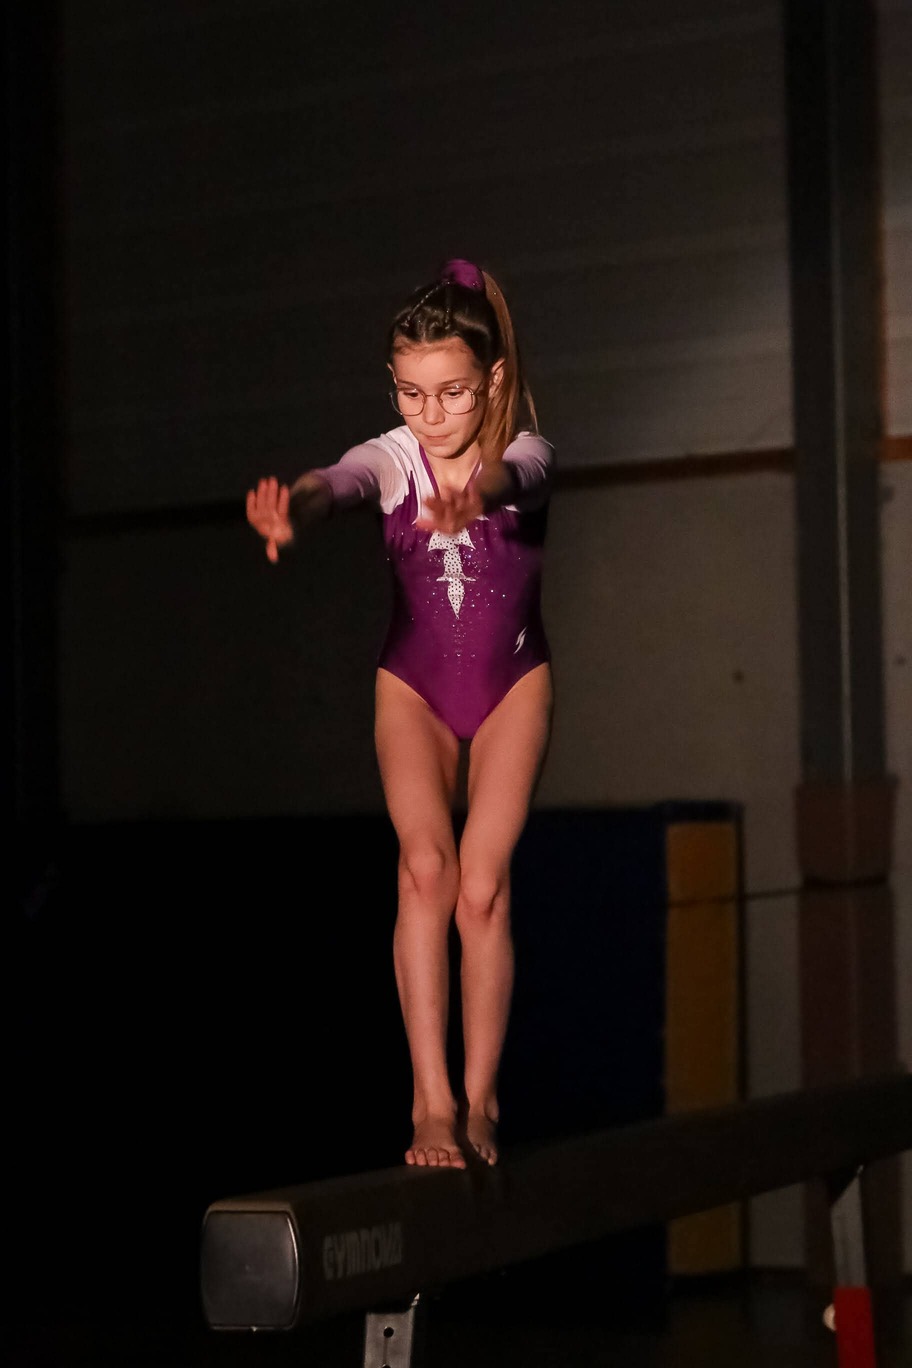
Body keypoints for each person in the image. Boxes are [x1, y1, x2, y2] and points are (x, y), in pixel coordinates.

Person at [246, 258, 554, 1169]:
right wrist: (298, 509)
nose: (431, 415)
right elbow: (339, 479)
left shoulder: (527, 449)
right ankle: (430, 1104)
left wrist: (475, 492)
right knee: (424, 869)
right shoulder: (394, 457)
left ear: (491, 379)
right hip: (413, 688)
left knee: (482, 886)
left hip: (512, 685)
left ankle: (482, 1099)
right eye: (412, 394)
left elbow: (517, 478)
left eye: (452, 393)